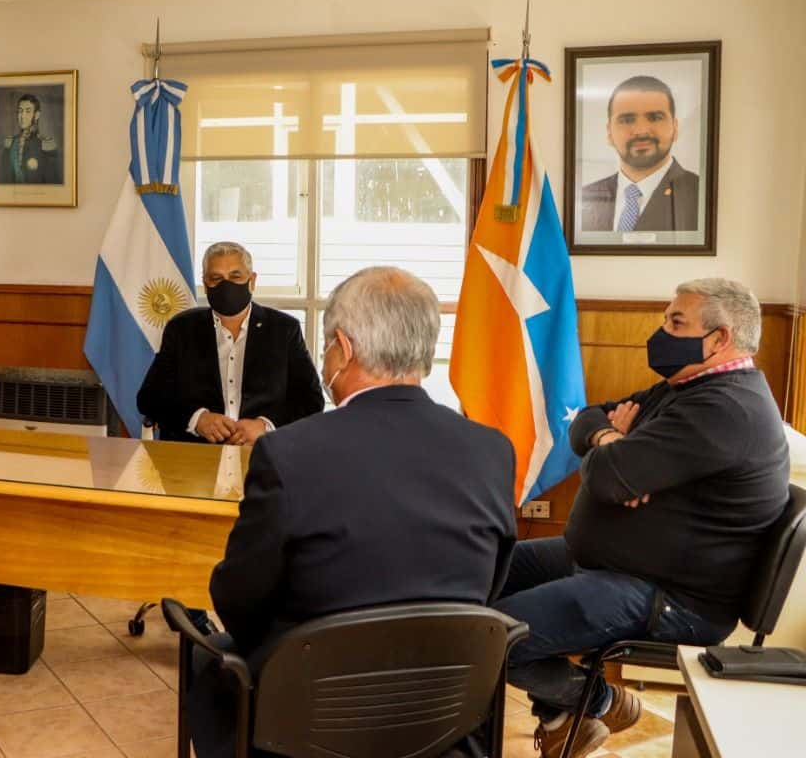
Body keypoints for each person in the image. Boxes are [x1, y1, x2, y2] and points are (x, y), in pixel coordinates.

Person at [187, 267, 517, 758]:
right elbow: (490, 587)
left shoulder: (288, 454)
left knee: (202, 656)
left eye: (326, 349)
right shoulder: (493, 451)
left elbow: (238, 600)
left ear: (344, 347)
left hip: (306, 721)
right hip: (442, 719)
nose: (325, 361)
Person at [494, 278, 790, 758]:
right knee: (482, 571)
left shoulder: (726, 409)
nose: (661, 332)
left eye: (676, 322)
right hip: (607, 565)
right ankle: (563, 714)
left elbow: (607, 478)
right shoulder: (687, 386)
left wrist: (614, 452)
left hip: (670, 598)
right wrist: (612, 440)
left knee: (490, 637)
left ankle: (598, 701)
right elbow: (588, 418)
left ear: (720, 339)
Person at [137, 242, 323, 445]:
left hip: (264, 453)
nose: (226, 286)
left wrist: (265, 425)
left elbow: (311, 400)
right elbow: (150, 398)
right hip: (195, 455)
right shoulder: (181, 329)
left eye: (235, 277)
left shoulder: (284, 329)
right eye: (216, 278)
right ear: (205, 283)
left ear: (252, 281)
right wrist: (197, 419)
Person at [580, 75, 700, 233]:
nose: (641, 130)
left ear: (675, 128)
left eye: (655, 118)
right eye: (627, 120)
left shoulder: (701, 195)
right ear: (609, 132)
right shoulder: (585, 196)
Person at [0, 93, 60, 184]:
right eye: (20, 111)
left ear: (37, 115)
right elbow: (3, 181)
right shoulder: (10, 143)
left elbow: (53, 188)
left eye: (28, 111)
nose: (22, 116)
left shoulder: (46, 146)